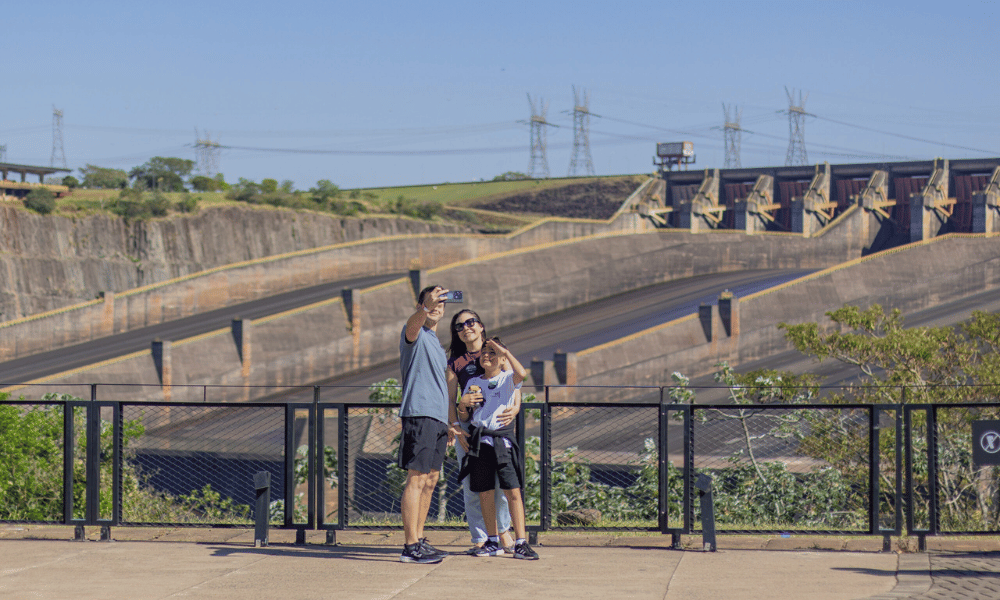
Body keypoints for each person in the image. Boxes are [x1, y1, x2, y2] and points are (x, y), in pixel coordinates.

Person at [397, 284, 461, 564]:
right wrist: (424, 308)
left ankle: (420, 539)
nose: (436, 306)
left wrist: (448, 422)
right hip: (420, 413)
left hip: (436, 419)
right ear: (420, 305)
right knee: (417, 477)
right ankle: (410, 546)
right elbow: (412, 326)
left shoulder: (435, 343)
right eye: (430, 301)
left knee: (431, 480)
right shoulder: (416, 333)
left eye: (440, 302)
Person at [459, 337, 539, 560]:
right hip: (481, 441)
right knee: (485, 492)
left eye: (492, 353)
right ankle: (492, 540)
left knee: (512, 491)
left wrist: (503, 350)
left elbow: (522, 374)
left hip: (502, 441)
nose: (487, 356)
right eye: (484, 352)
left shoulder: (507, 380)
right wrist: (463, 404)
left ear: (502, 357)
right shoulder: (474, 381)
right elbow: (464, 415)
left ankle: (521, 541)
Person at [447, 309, 517, 555]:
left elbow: (514, 382)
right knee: (472, 484)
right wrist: (455, 426)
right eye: (459, 326)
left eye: (471, 322)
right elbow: (450, 399)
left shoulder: (496, 350)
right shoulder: (455, 362)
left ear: (481, 325)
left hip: (496, 426)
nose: (466, 327)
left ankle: (503, 532)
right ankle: (481, 537)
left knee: (501, 483)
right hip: (469, 427)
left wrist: (516, 408)